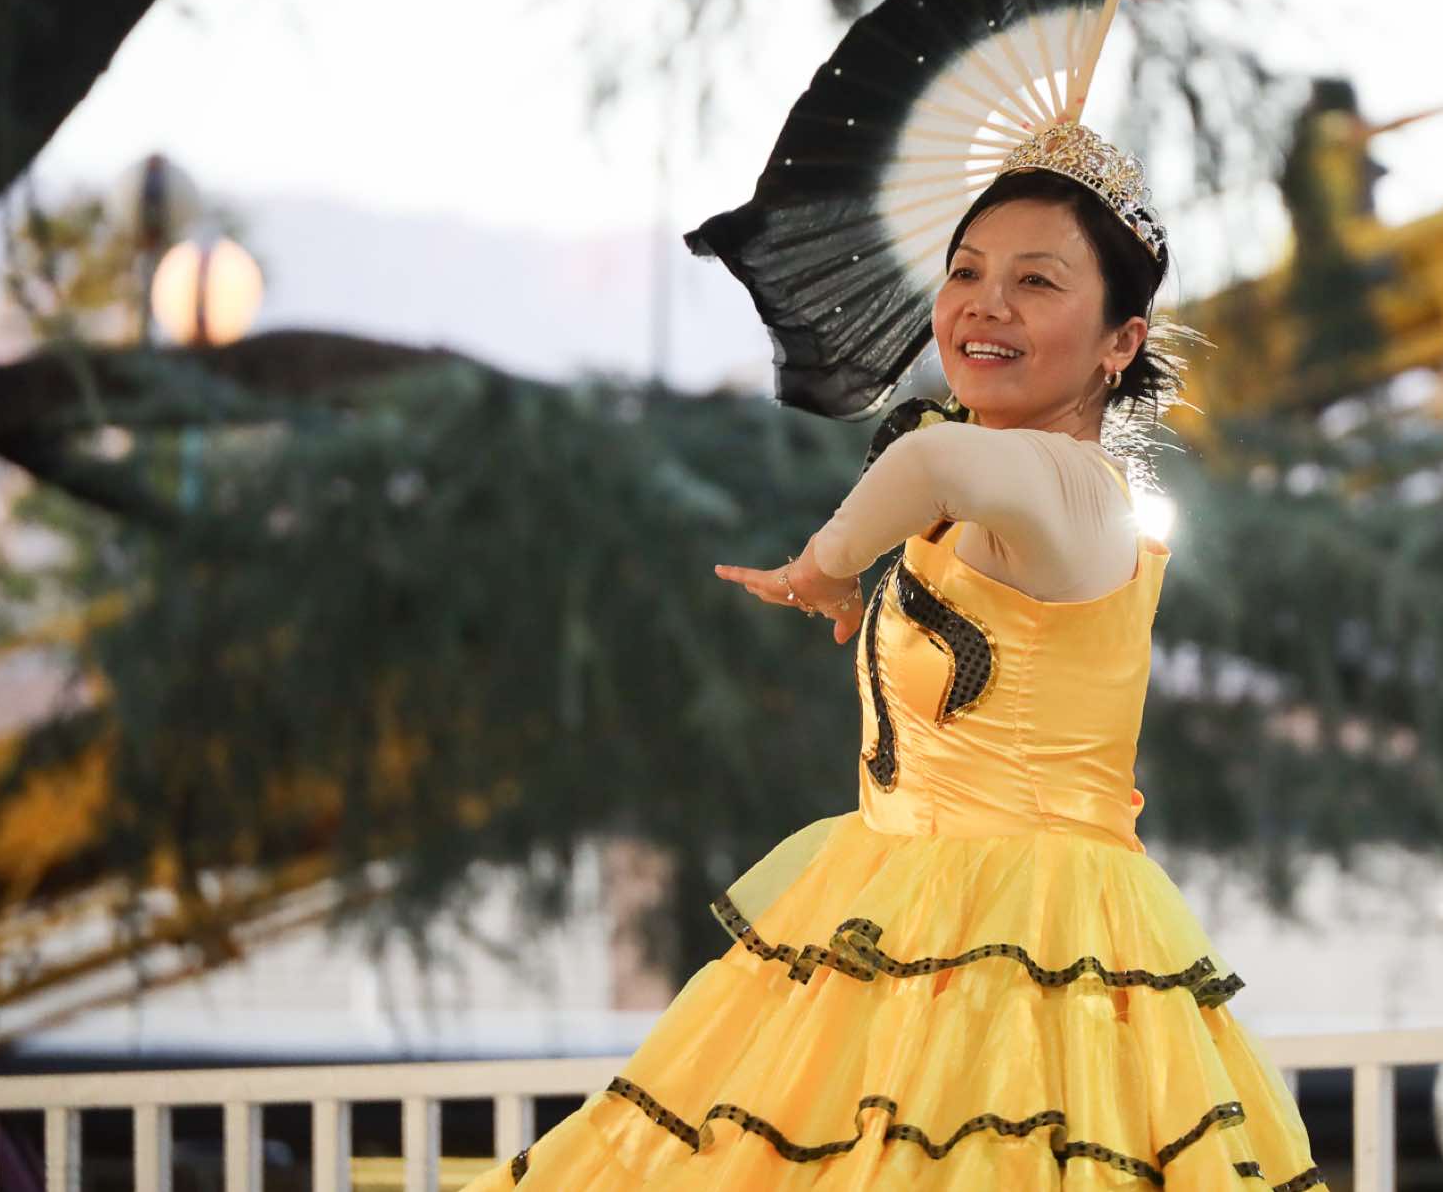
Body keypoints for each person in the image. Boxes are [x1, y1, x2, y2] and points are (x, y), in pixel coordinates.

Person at [463, 123, 1326, 1189]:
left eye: (1035, 281)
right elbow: (936, 467)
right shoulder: (1001, 487)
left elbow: (928, 459)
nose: (984, 304)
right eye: (965, 272)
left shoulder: (1076, 489)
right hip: (898, 911)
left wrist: (822, 566)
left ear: (1120, 340)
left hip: (1027, 945)